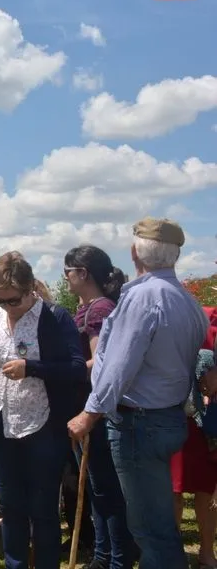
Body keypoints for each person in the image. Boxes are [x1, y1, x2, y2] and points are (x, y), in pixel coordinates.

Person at [69, 218, 208, 569]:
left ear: (134, 252)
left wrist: (88, 414)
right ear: (176, 255)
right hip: (167, 418)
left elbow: (119, 365)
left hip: (138, 425)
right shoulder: (186, 300)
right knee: (156, 522)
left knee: (150, 528)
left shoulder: (142, 297)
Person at [0, 251, 86, 569]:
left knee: (42, 509)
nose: (7, 306)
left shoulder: (55, 318)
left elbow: (76, 368)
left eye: (13, 300)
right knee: (10, 507)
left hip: (43, 425)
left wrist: (31, 367)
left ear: (31, 288)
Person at [63, 245, 134, 569]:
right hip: (83, 407)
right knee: (94, 487)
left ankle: (117, 557)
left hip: (96, 410)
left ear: (83, 273)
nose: (65, 277)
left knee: (105, 488)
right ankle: (102, 555)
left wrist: (63, 370)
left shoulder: (100, 309)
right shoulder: (86, 308)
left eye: (68, 271)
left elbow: (100, 364)